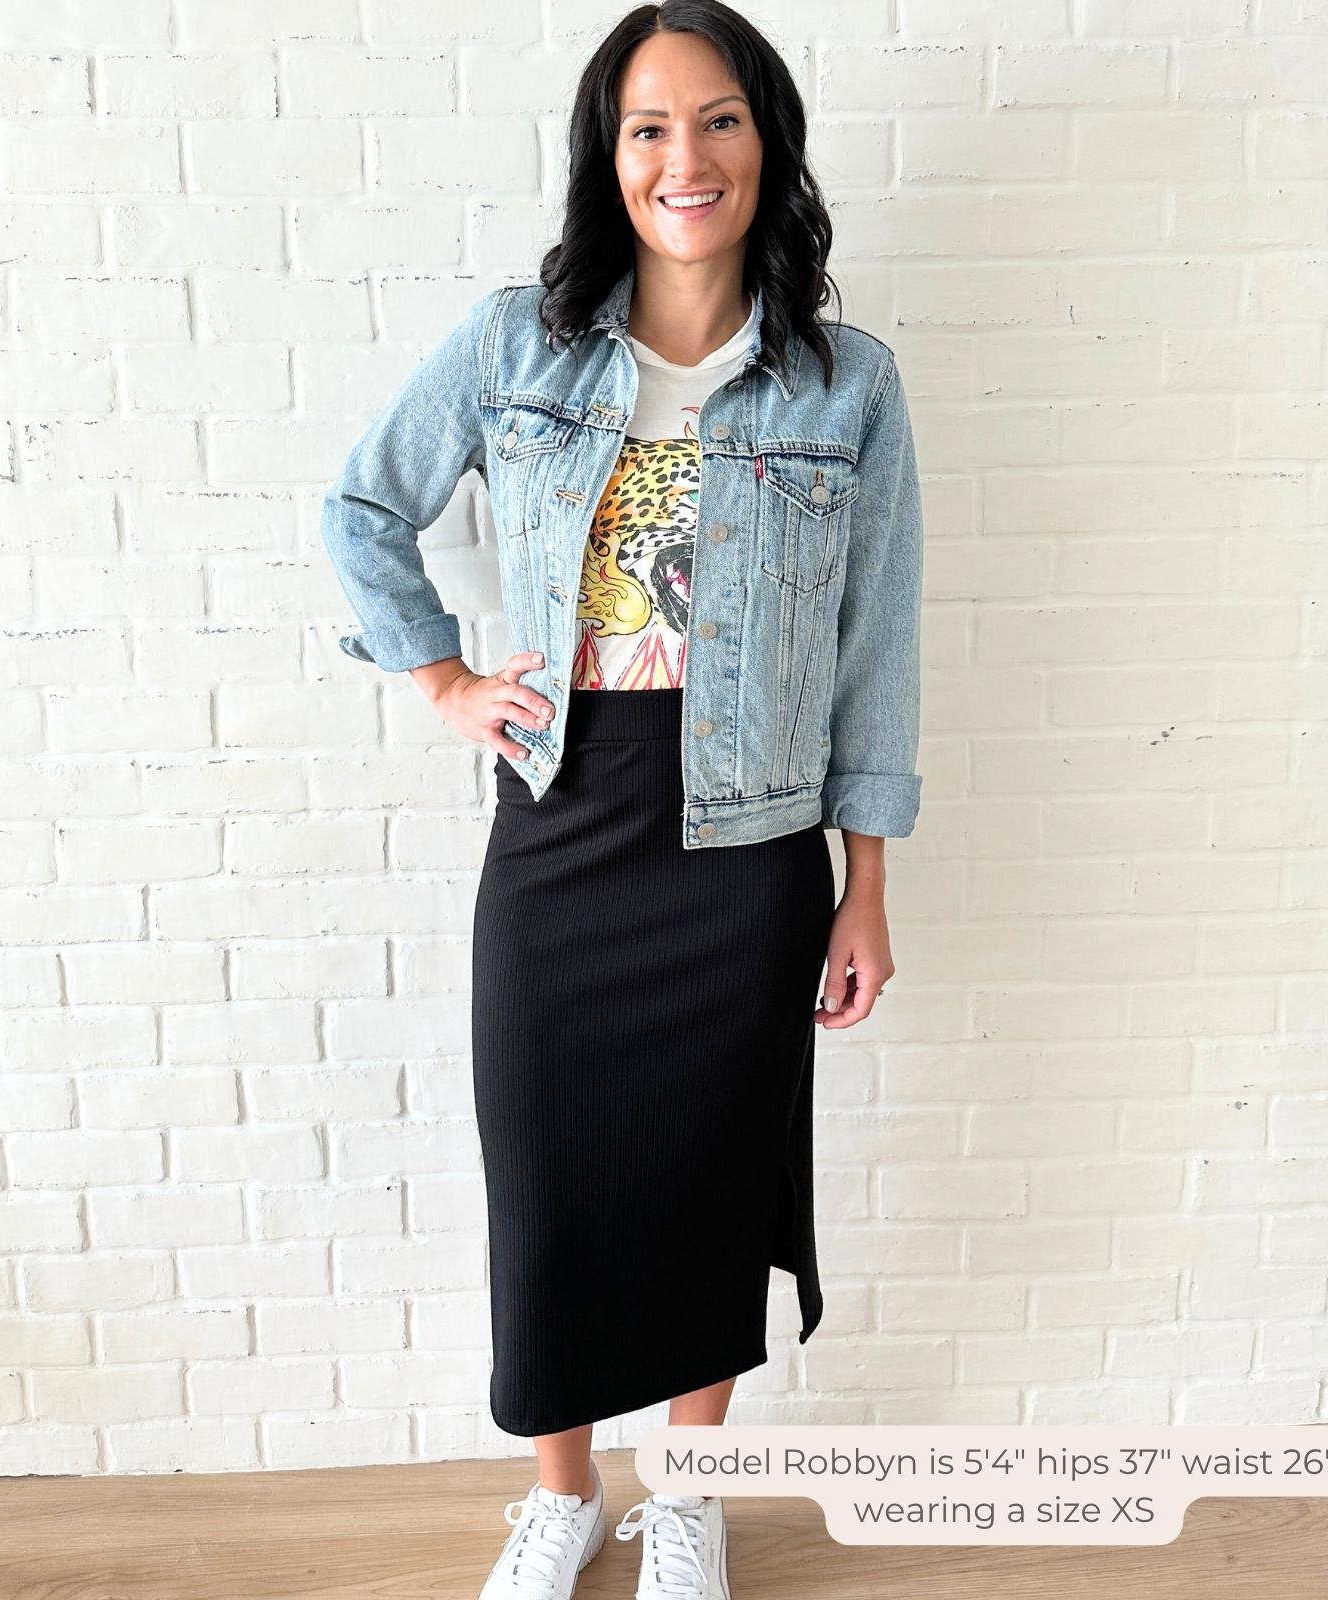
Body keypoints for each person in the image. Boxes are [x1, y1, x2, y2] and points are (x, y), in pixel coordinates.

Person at [319, 4, 924, 1594]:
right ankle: (564, 1493)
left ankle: (689, 1496)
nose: (684, 158)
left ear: (765, 140)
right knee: (553, 1175)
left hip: (747, 844)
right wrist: (443, 681)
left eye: (716, 120)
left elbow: (879, 645)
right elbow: (363, 504)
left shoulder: (843, 383)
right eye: (649, 127)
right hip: (564, 818)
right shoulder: (523, 343)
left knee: (706, 1184)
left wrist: (865, 881)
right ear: (609, 154)